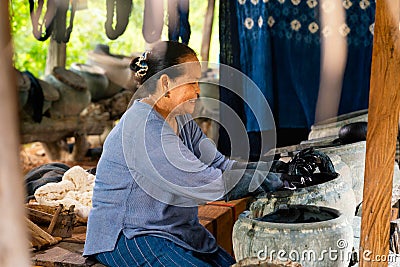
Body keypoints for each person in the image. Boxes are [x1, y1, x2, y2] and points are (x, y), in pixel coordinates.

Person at [83, 41, 284, 267]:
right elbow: (206, 182)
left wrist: (274, 170)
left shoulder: (180, 118)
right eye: (192, 82)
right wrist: (272, 181)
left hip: (171, 229)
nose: (198, 90)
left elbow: (219, 164)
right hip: (129, 236)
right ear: (166, 83)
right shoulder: (142, 127)